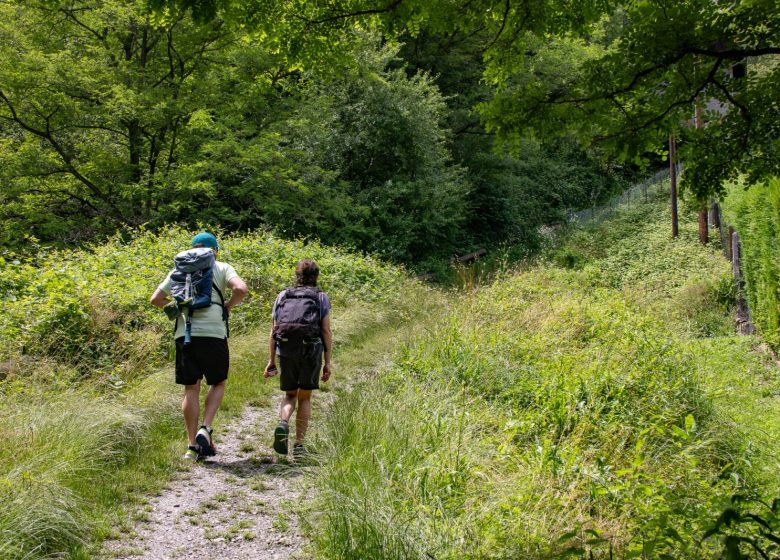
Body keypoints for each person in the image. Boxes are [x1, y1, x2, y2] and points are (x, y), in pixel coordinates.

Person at [150, 232, 248, 460]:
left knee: (191, 388)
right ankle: (206, 427)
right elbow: (241, 289)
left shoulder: (181, 269)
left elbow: (155, 299)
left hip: (185, 333)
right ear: (215, 250)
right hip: (214, 332)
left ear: (193, 248)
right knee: (218, 382)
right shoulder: (222, 266)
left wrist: (174, 308)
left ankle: (191, 446)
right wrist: (228, 306)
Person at [264, 259, 332, 458]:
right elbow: (326, 331)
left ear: (297, 276)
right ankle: (299, 445)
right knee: (305, 397)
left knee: (290, 395)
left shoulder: (283, 295)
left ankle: (283, 423)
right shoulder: (320, 297)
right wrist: (327, 362)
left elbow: (273, 330)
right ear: (316, 276)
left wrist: (271, 360)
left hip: (286, 350)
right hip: (310, 351)